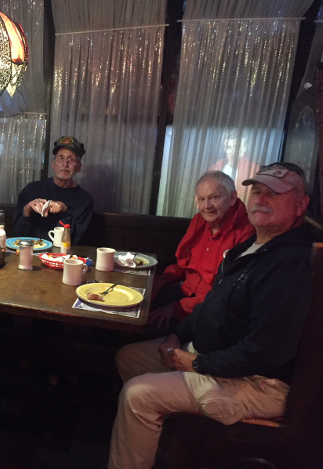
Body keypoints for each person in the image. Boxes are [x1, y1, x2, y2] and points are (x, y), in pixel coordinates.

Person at [108, 162, 314, 469]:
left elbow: (266, 352)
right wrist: (177, 334)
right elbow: (210, 304)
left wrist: (196, 363)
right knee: (129, 358)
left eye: (274, 194)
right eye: (257, 191)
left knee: (137, 396)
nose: (261, 199)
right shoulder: (253, 246)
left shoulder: (291, 263)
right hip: (208, 356)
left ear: (301, 204)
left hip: (253, 382)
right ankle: (167, 436)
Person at [148, 171, 254, 330]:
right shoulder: (199, 221)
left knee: (151, 325)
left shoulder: (246, 233)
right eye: (201, 199)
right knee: (141, 302)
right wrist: (162, 279)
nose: (207, 206)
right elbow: (185, 264)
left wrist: (175, 309)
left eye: (214, 197)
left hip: (212, 308)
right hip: (186, 289)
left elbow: (226, 293)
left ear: (232, 198)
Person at [14, 136, 93, 244]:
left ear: (78, 167)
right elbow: (18, 235)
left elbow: (75, 241)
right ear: (53, 164)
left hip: (63, 253)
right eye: (60, 158)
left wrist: (65, 211)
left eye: (71, 159)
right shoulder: (31, 190)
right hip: (32, 251)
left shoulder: (85, 200)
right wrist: (26, 211)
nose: (65, 164)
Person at [210, 132, 259, 201]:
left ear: (245, 147)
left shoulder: (254, 170)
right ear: (224, 148)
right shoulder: (217, 167)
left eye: (236, 147)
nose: (232, 152)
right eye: (228, 147)